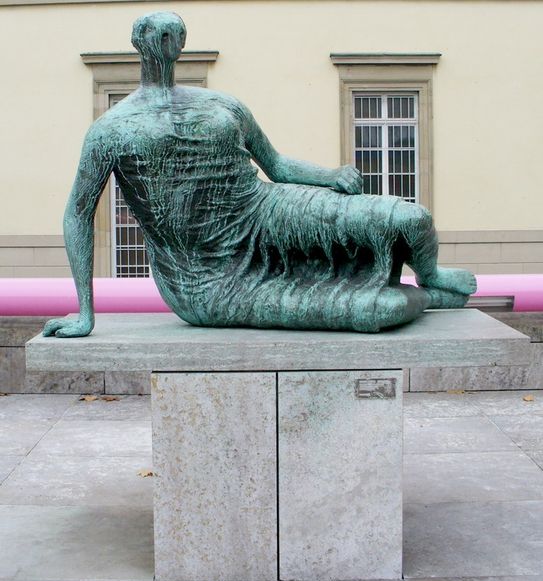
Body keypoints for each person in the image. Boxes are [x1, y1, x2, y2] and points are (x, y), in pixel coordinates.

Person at [43, 11, 476, 338]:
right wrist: (85, 314)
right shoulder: (110, 130)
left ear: (181, 43)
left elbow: (277, 165)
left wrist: (328, 176)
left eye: (173, 33)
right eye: (160, 34)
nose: (167, 40)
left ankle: (430, 275)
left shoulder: (222, 105)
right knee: (376, 311)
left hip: (261, 208)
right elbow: (77, 215)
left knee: (410, 218)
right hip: (204, 278)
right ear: (141, 43)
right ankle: (432, 297)